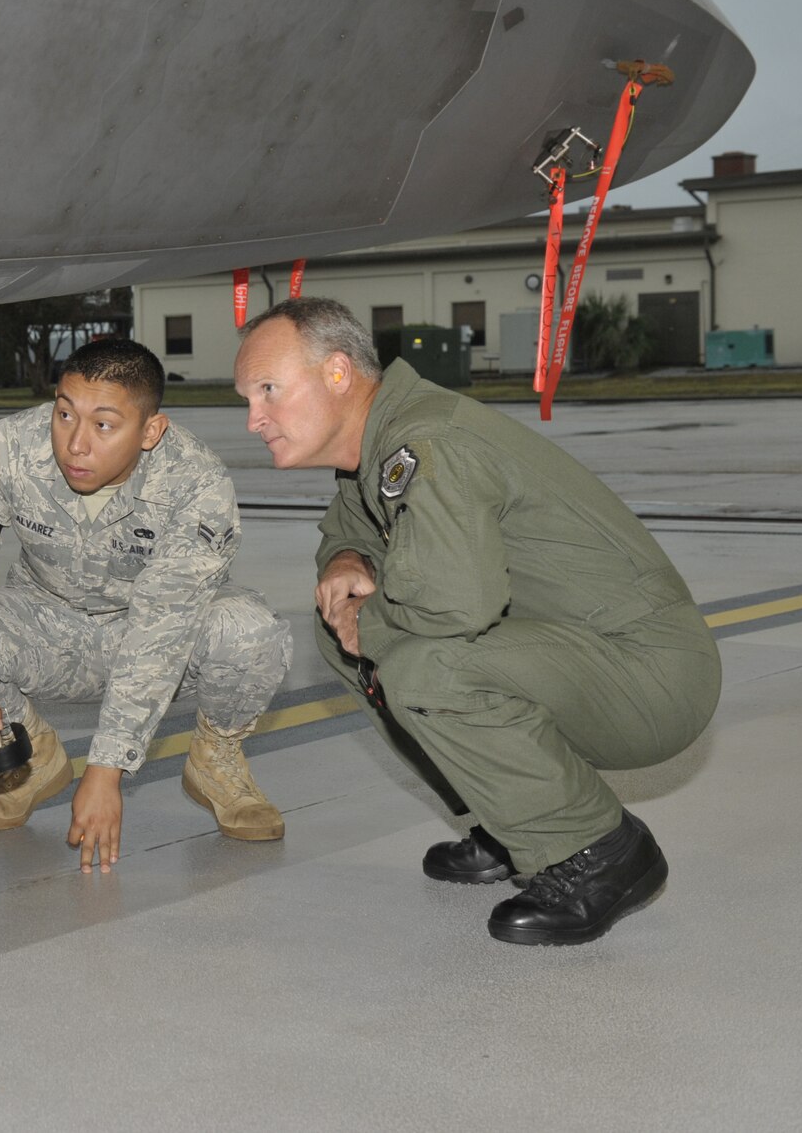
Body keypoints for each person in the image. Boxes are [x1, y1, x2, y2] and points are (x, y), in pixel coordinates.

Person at [234, 297, 720, 945]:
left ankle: (598, 849)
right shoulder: (377, 444)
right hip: (585, 654)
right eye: (248, 398)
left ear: (338, 373)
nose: (253, 418)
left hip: (652, 675)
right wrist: (346, 561)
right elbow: (347, 530)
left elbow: (455, 603)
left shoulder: (427, 443)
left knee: (423, 667)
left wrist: (367, 622)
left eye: (268, 390)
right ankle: (510, 816)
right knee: (344, 633)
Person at [0, 337, 292, 872]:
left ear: (151, 431)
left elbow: (164, 621)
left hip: (156, 639)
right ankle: (33, 756)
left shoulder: (196, 479)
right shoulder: (7, 447)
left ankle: (215, 757)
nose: (76, 444)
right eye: (64, 414)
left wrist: (106, 769)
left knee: (249, 630)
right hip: (46, 623)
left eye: (104, 425)